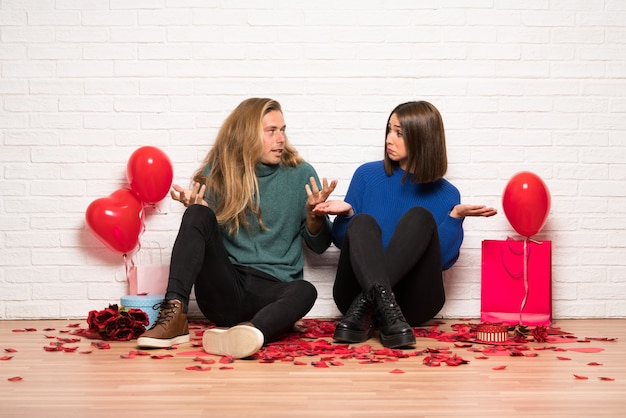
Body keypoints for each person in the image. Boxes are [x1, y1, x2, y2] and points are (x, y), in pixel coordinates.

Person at [137, 98, 337, 358]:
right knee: (198, 213)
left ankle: (251, 333)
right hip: (227, 288)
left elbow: (319, 246)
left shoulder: (300, 174)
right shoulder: (220, 173)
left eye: (283, 130)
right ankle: (174, 315)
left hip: (273, 291)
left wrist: (315, 217)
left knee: (305, 290)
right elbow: (204, 241)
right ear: (248, 134)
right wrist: (200, 210)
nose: (281, 139)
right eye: (271, 131)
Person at [312, 101, 497, 348]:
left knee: (420, 216)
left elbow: (441, 262)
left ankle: (369, 305)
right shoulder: (366, 176)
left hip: (411, 304)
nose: (389, 139)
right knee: (363, 220)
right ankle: (378, 307)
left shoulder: (447, 194)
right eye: (389, 130)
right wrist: (348, 215)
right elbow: (341, 242)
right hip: (353, 297)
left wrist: (454, 219)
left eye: (399, 133)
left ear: (423, 138)